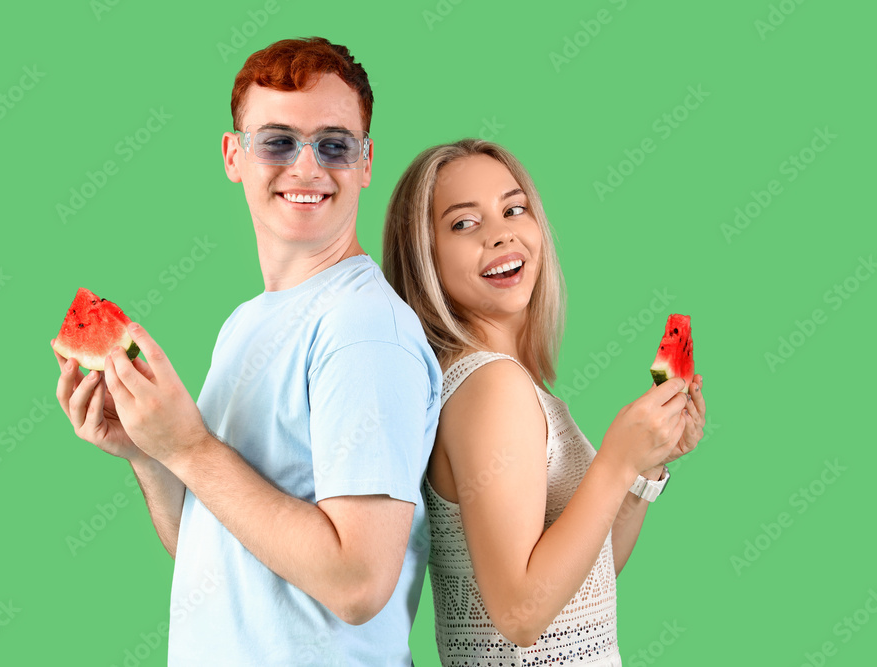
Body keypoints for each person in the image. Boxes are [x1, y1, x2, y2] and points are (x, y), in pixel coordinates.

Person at [51, 38, 441, 666]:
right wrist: (151, 455)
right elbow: (217, 553)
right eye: (278, 141)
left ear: (366, 162)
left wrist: (189, 448)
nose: (307, 168)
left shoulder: (364, 328)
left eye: (334, 145)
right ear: (234, 155)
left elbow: (359, 582)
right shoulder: (246, 322)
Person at [383, 139, 707, 665]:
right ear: (425, 259)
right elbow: (520, 614)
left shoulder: (510, 385)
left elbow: (582, 580)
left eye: (514, 209)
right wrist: (616, 460)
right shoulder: (492, 387)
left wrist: (644, 470)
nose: (500, 233)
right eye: (464, 224)